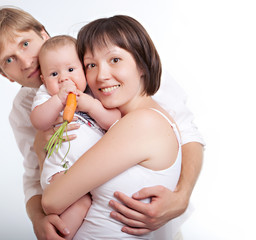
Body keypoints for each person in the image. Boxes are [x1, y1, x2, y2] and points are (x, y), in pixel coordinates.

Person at [0, 6, 204, 240]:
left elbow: (184, 129)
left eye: (25, 44)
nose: (25, 61)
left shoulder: (96, 55)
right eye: (9, 60)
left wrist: (182, 196)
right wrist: (37, 218)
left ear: (43, 34)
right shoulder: (24, 109)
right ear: (6, 75)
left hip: (143, 217)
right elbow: (34, 177)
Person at [41, 14, 187, 239]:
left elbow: (52, 200)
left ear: (141, 63)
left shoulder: (142, 123)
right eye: (91, 64)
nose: (101, 76)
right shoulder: (128, 120)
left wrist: (46, 152)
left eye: (115, 60)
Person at [30, 35, 121, 239]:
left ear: (83, 69)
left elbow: (114, 120)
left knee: (96, 199)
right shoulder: (46, 96)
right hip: (61, 170)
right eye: (54, 74)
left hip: (92, 170)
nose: (64, 78)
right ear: (44, 80)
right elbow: (39, 121)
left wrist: (91, 105)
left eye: (71, 70)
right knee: (80, 203)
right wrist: (58, 100)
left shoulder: (93, 92)